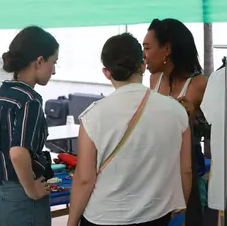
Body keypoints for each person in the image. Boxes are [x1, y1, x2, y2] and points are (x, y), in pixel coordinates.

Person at [67, 33, 192, 226]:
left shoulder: (93, 116)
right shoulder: (176, 111)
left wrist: (72, 220)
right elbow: (185, 171)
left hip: (104, 217)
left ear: (107, 72)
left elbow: (85, 179)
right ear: (143, 65)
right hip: (157, 215)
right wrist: (179, 208)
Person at [0, 26, 59, 226]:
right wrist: (32, 190)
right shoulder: (30, 101)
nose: (54, 70)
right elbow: (17, 153)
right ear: (39, 61)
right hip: (20, 197)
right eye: (54, 62)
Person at [143, 18, 209, 225]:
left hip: (185, 174)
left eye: (147, 47)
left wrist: (195, 117)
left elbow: (216, 132)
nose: (143, 55)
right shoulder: (154, 79)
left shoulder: (199, 83)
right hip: (153, 172)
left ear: (167, 49)